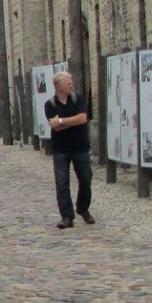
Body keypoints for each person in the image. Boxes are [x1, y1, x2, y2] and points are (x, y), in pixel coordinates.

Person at [44, 71, 92, 228]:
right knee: (62, 182)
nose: (71, 85)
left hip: (80, 146)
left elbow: (82, 118)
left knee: (86, 178)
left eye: (71, 82)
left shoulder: (78, 99)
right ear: (58, 86)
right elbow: (55, 127)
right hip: (61, 149)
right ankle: (67, 216)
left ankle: (82, 207)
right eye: (68, 83)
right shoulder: (50, 105)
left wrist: (62, 120)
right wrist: (73, 121)